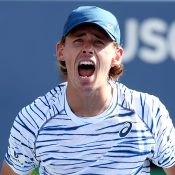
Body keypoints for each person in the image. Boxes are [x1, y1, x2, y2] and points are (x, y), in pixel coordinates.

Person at [1, 6, 175, 175]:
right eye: (78, 40)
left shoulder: (149, 111)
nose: (87, 48)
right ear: (61, 51)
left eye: (98, 41)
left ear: (117, 56)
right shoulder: (33, 118)